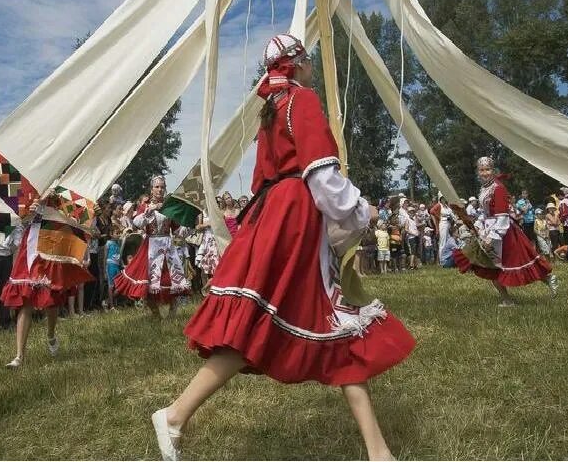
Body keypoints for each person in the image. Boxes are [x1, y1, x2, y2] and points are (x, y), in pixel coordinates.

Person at [150, 34, 414, 461]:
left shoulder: (270, 111)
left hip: (272, 216)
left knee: (317, 319)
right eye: (307, 61)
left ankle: (378, 451)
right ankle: (175, 414)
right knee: (292, 320)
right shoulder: (302, 101)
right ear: (299, 65)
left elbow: (262, 181)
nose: (311, 67)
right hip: (292, 219)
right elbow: (321, 176)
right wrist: (360, 210)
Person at [0, 196, 94, 368]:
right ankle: (19, 356)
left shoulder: (63, 191)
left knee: (51, 297)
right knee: (26, 298)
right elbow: (16, 217)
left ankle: (50, 334)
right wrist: (29, 210)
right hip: (31, 244)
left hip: (54, 241)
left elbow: (81, 216)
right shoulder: (30, 188)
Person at [452, 157, 557, 306]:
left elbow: (502, 215)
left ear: (493, 170)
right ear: (478, 172)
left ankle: (547, 279)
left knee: (515, 263)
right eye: (481, 170)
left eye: (487, 170)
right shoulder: (484, 188)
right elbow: (484, 212)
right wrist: (478, 225)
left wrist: (493, 237)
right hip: (487, 230)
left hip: (503, 232)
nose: (484, 173)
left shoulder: (498, 188)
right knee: (491, 267)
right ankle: (507, 300)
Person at [114, 175, 191, 319]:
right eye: (157, 187)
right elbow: (137, 222)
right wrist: (149, 211)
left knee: (170, 280)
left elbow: (177, 229)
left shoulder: (169, 206)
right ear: (151, 189)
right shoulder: (146, 205)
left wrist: (189, 227)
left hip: (167, 246)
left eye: (162, 187)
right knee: (148, 282)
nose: (160, 189)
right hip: (150, 247)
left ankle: (172, 315)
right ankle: (156, 315)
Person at [429, 193, 455, 261]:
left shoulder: (447, 206)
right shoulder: (439, 205)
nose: (444, 199)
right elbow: (431, 211)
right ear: (440, 198)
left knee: (448, 241)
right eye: (443, 197)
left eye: (445, 197)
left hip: (449, 224)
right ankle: (442, 259)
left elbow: (452, 214)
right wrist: (437, 220)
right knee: (442, 242)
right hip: (443, 223)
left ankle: (447, 257)